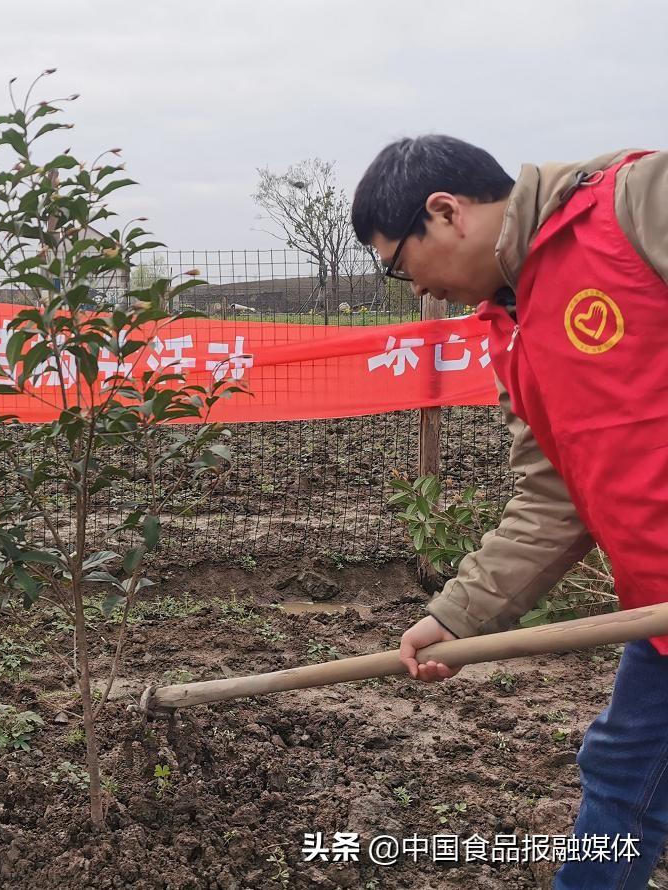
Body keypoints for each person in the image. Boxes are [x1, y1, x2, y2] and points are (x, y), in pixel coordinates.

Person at [352, 135, 668, 888]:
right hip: (659, 611)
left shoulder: (637, 205)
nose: (414, 290)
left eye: (399, 265)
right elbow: (552, 499)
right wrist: (457, 616)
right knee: (624, 774)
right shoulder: (513, 329)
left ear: (446, 211)